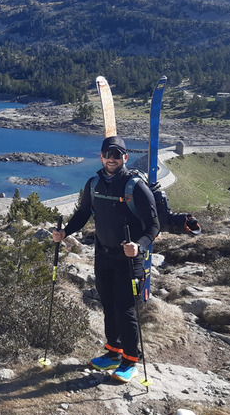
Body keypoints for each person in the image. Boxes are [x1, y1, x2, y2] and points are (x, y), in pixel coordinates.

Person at [52, 135, 160, 382]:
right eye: (107, 155)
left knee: (125, 310)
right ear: (100, 157)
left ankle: (131, 359)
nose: (111, 159)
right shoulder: (94, 184)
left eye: (116, 155)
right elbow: (82, 214)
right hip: (103, 255)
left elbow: (154, 224)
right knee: (108, 305)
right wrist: (65, 232)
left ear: (125, 157)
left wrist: (139, 246)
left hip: (128, 260)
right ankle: (113, 351)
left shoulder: (135, 187)